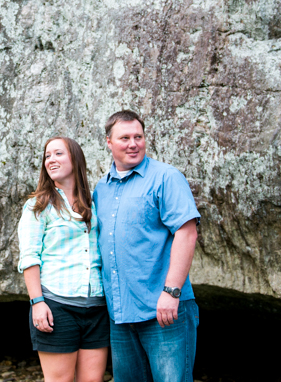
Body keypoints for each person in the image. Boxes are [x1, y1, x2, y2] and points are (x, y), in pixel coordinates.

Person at [93, 110, 200, 382]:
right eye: (124, 137)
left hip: (163, 311)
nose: (133, 143)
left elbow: (187, 234)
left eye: (138, 137)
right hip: (121, 316)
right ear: (109, 142)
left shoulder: (166, 177)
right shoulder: (100, 189)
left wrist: (172, 292)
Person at [17, 137, 109, 382]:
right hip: (57, 306)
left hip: (97, 307)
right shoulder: (38, 206)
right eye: (47, 156)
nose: (51, 160)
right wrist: (37, 302)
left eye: (58, 153)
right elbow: (29, 258)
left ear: (75, 159)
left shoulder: (94, 204)